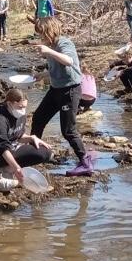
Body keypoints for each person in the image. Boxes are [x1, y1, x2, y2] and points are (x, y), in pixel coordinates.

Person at [31, 17, 93, 177]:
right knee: (38, 118)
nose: (41, 38)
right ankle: (34, 154)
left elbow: (69, 61)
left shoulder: (64, 43)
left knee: (68, 130)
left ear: (49, 31)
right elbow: (57, 69)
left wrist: (49, 51)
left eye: (42, 34)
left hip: (70, 91)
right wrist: (43, 74)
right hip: (55, 89)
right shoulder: (50, 46)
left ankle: (85, 163)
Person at [0, 89, 54, 192]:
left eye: (25, 107)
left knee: (46, 152)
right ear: (9, 103)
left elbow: (18, 135)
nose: (23, 110)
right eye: (20, 107)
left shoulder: (20, 115)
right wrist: (17, 168)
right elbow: (3, 147)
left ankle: (7, 169)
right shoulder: (0, 120)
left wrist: (32, 137)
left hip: (12, 149)